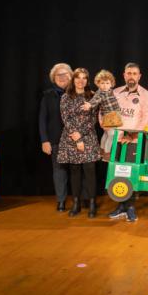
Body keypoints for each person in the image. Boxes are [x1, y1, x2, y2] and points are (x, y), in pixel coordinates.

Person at [107, 63, 148, 223]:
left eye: (134, 73)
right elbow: (106, 114)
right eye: (129, 73)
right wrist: (113, 132)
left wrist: (130, 135)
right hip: (117, 139)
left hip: (134, 141)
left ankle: (131, 207)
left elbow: (146, 119)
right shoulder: (115, 93)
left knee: (130, 174)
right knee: (118, 174)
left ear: (139, 76)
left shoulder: (146, 95)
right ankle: (121, 207)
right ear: (124, 75)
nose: (131, 76)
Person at [56, 68, 100, 218]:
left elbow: (93, 119)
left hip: (88, 137)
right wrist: (77, 138)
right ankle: (76, 203)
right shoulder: (66, 97)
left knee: (90, 170)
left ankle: (93, 203)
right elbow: (65, 119)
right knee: (74, 171)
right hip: (71, 137)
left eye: (84, 78)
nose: (81, 81)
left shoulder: (93, 96)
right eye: (78, 78)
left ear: (87, 80)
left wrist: (81, 135)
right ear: (73, 79)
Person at [39, 62, 73, 212]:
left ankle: (80, 200)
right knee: (59, 171)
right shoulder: (48, 96)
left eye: (65, 74)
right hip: (55, 139)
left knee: (78, 171)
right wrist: (44, 140)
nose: (62, 77)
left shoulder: (78, 94)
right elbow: (42, 119)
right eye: (59, 75)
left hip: (75, 140)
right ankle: (61, 201)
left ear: (71, 76)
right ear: (54, 78)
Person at [81, 69, 122, 161]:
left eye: (107, 83)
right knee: (111, 134)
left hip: (114, 115)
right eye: (102, 83)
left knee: (107, 134)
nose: (105, 86)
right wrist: (89, 104)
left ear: (111, 84)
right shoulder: (101, 93)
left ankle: (102, 150)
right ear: (98, 84)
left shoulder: (109, 91)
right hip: (109, 116)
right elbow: (96, 100)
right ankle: (107, 154)